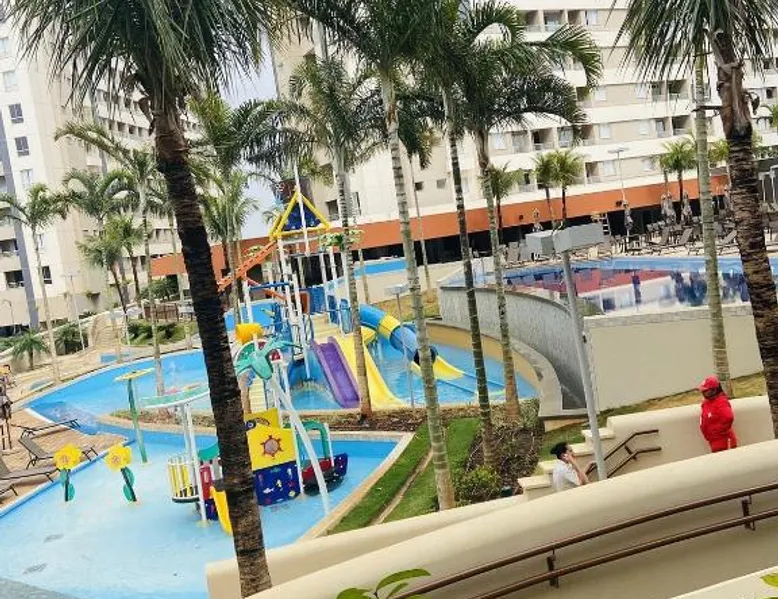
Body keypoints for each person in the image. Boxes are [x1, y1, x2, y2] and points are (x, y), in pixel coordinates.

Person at [699, 375, 738, 453]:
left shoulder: (721, 401)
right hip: (713, 442)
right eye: (703, 391)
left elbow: (728, 417)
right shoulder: (705, 404)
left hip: (725, 441)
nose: (705, 393)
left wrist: (717, 431)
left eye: (707, 391)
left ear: (715, 390)